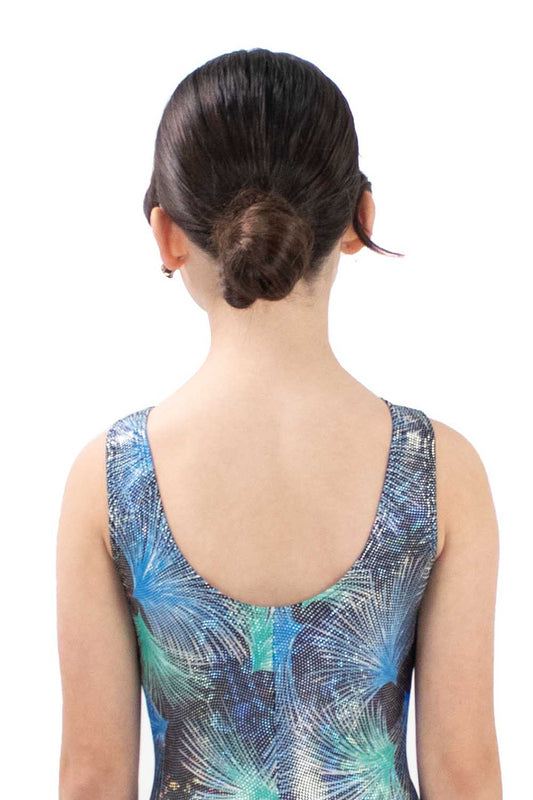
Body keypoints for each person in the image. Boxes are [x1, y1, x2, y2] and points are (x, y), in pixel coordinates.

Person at [56, 48, 502, 799]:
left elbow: (93, 781)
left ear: (167, 235)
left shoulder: (107, 480)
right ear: (359, 220)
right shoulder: (440, 472)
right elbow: (464, 776)